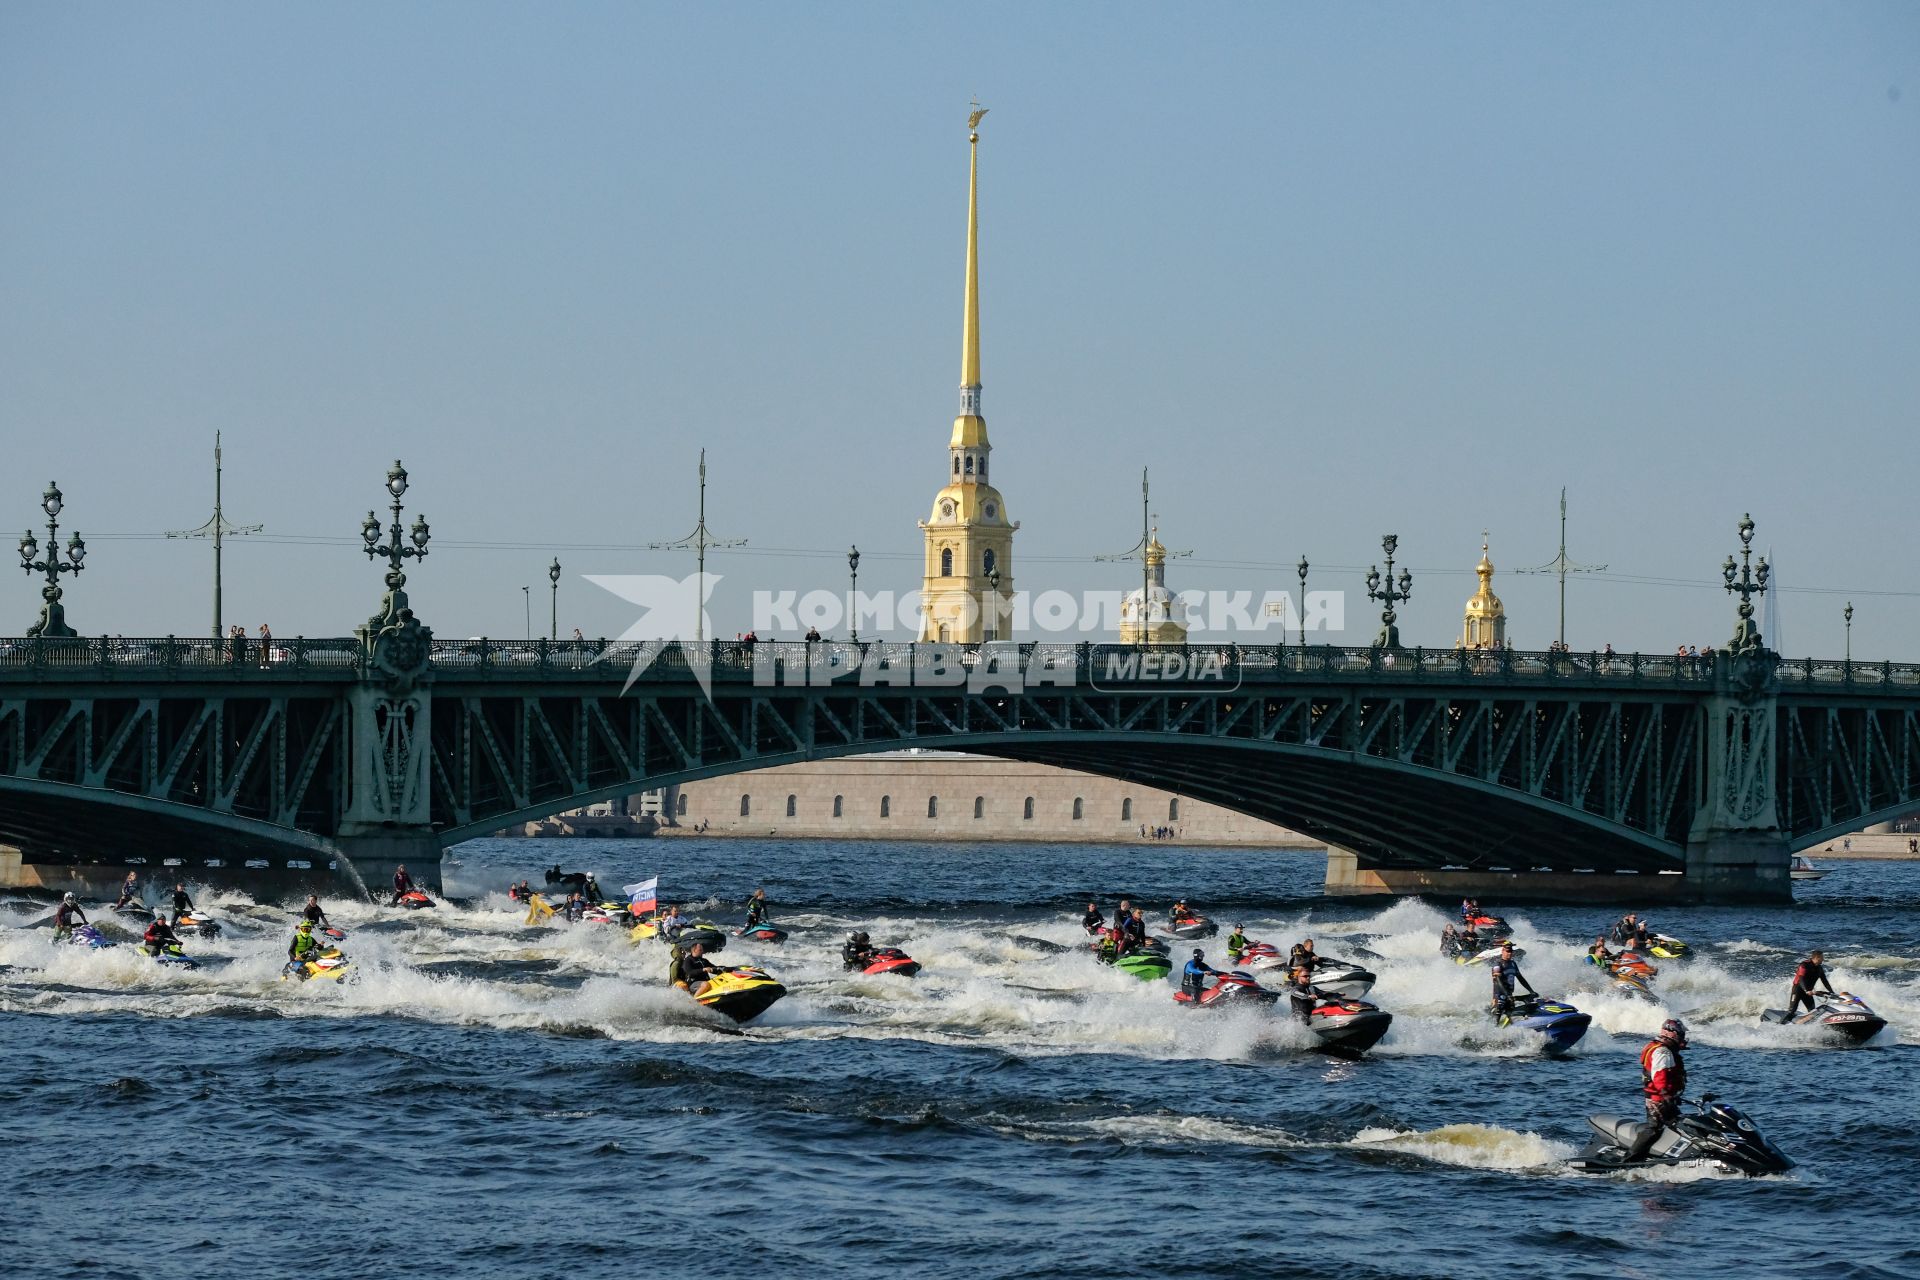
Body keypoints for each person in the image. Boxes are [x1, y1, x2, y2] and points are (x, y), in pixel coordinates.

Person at [1624, 1018, 1690, 1163]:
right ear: (1671, 1033)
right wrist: (1665, 1094)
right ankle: (1629, 1160)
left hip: (1664, 1097)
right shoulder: (1662, 1051)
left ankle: (1670, 1155)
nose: (1682, 1037)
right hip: (1658, 1099)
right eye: (1680, 1034)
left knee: (1680, 1125)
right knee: (1653, 1129)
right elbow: (1659, 1076)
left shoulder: (1662, 1048)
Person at [1489, 942, 1536, 1015]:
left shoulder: (1513, 964)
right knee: (1498, 1019)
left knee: (1510, 1016)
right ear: (1502, 951)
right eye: (1507, 951)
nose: (1509, 953)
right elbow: (1498, 981)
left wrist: (1531, 991)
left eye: (1510, 951)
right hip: (1499, 997)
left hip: (1509, 996)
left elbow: (1520, 978)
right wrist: (1507, 995)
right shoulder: (1497, 964)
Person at [1787, 949, 1836, 1018]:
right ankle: (1781, 1025)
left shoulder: (1819, 968)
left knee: (1812, 1011)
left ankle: (1808, 1025)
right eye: (1822, 957)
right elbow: (1801, 979)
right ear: (1817, 958)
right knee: (1792, 1011)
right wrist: (1806, 990)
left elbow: (1825, 981)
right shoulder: (1804, 965)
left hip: (1808, 992)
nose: (1823, 959)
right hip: (1798, 989)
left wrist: (1832, 992)